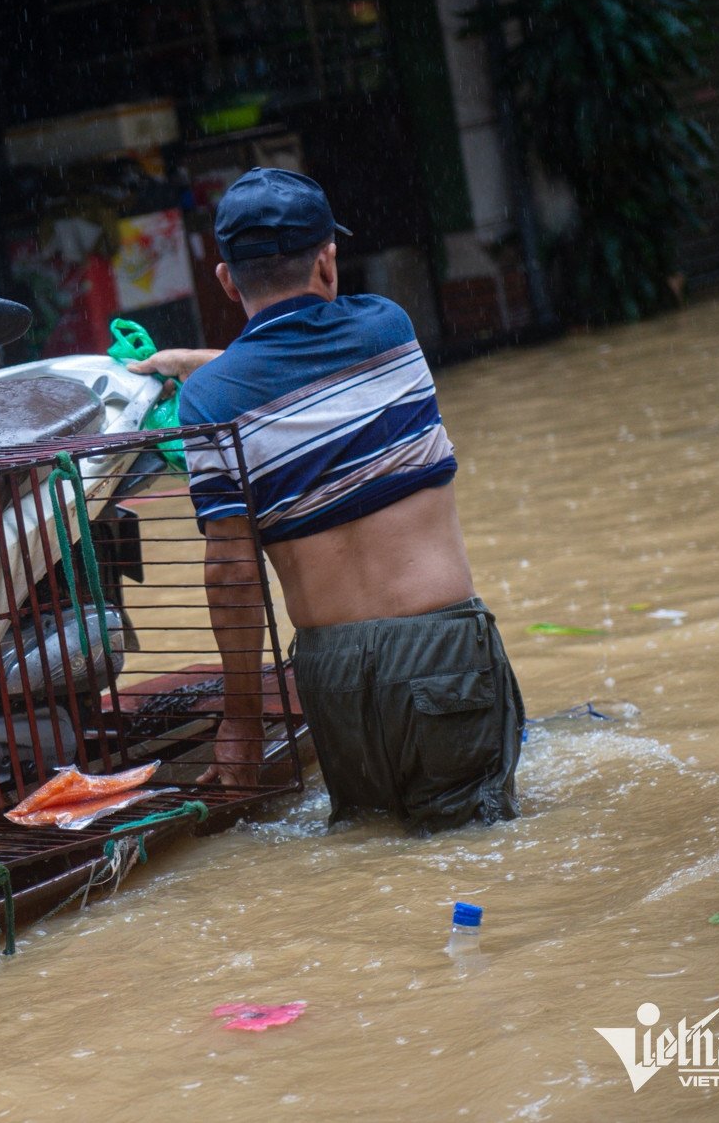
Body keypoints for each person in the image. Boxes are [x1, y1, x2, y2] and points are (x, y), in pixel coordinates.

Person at [130, 169, 522, 831]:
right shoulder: (387, 330)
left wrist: (244, 724)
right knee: (480, 847)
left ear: (227, 281)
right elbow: (300, 361)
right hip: (439, 651)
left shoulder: (211, 403)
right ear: (328, 260)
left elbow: (231, 572)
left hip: (329, 672)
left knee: (370, 849)